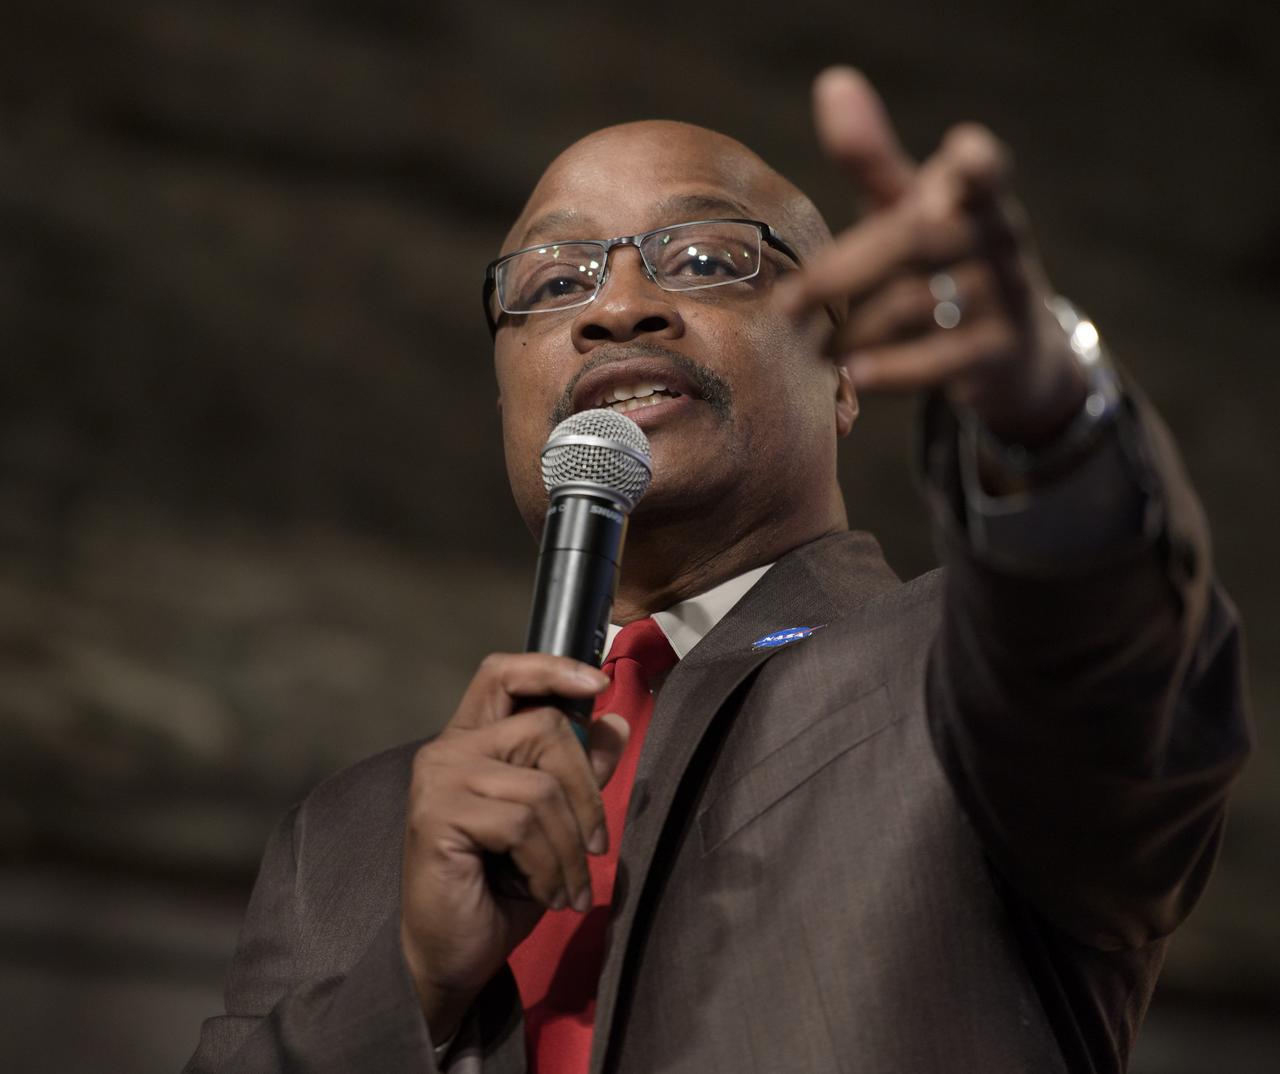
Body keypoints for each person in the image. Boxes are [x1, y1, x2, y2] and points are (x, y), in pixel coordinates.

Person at [184, 67, 1249, 1073]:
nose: (617, 306)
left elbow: (1115, 649)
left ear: (839, 373)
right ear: (502, 397)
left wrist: (1053, 426)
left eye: (702, 259)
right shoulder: (349, 836)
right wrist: (407, 982)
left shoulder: (966, 677)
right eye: (555, 280)